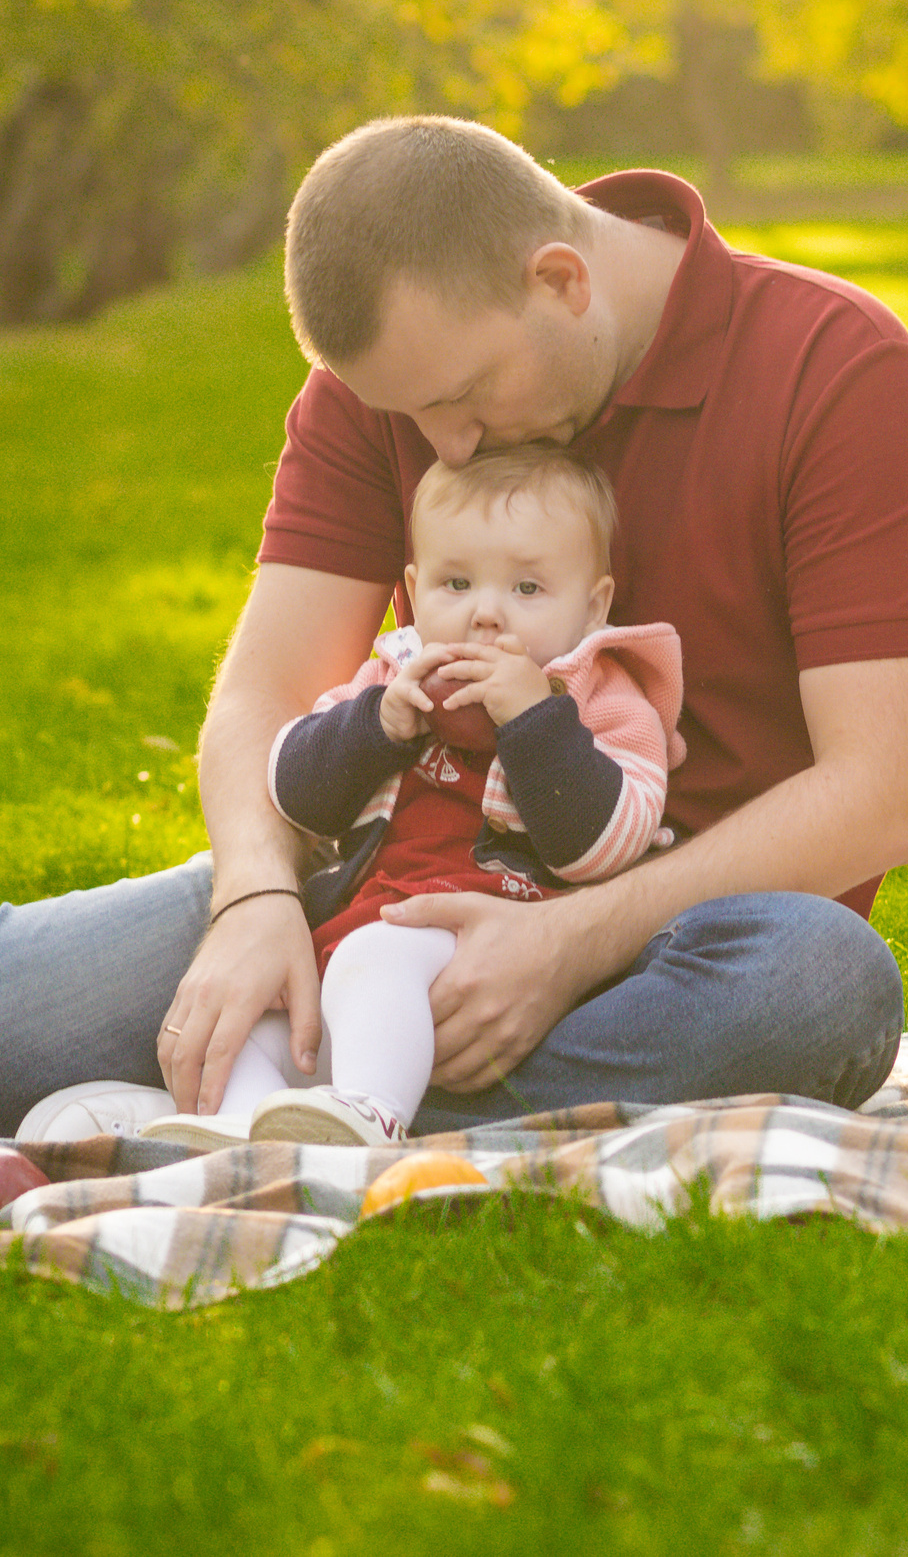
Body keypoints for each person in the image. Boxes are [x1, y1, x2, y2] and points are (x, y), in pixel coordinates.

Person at [0, 114, 908, 1147]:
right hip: (388, 887)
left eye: (466, 397)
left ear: (562, 280)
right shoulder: (382, 392)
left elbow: (880, 788)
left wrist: (570, 940)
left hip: (683, 942)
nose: (449, 448)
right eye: (411, 416)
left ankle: (283, 1110)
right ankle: (371, 1101)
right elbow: (264, 696)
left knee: (824, 984)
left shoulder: (834, 365)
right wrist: (256, 900)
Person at [140, 446, 682, 1149]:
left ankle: (371, 1114)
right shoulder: (392, 676)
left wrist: (532, 721)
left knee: (379, 957)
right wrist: (378, 723)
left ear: (593, 604)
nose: (486, 614)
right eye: (456, 583)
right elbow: (293, 793)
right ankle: (255, 1132)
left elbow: (605, 843)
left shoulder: (600, 698)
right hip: (350, 943)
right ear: (414, 585)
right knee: (248, 1023)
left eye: (527, 590)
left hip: (482, 942)